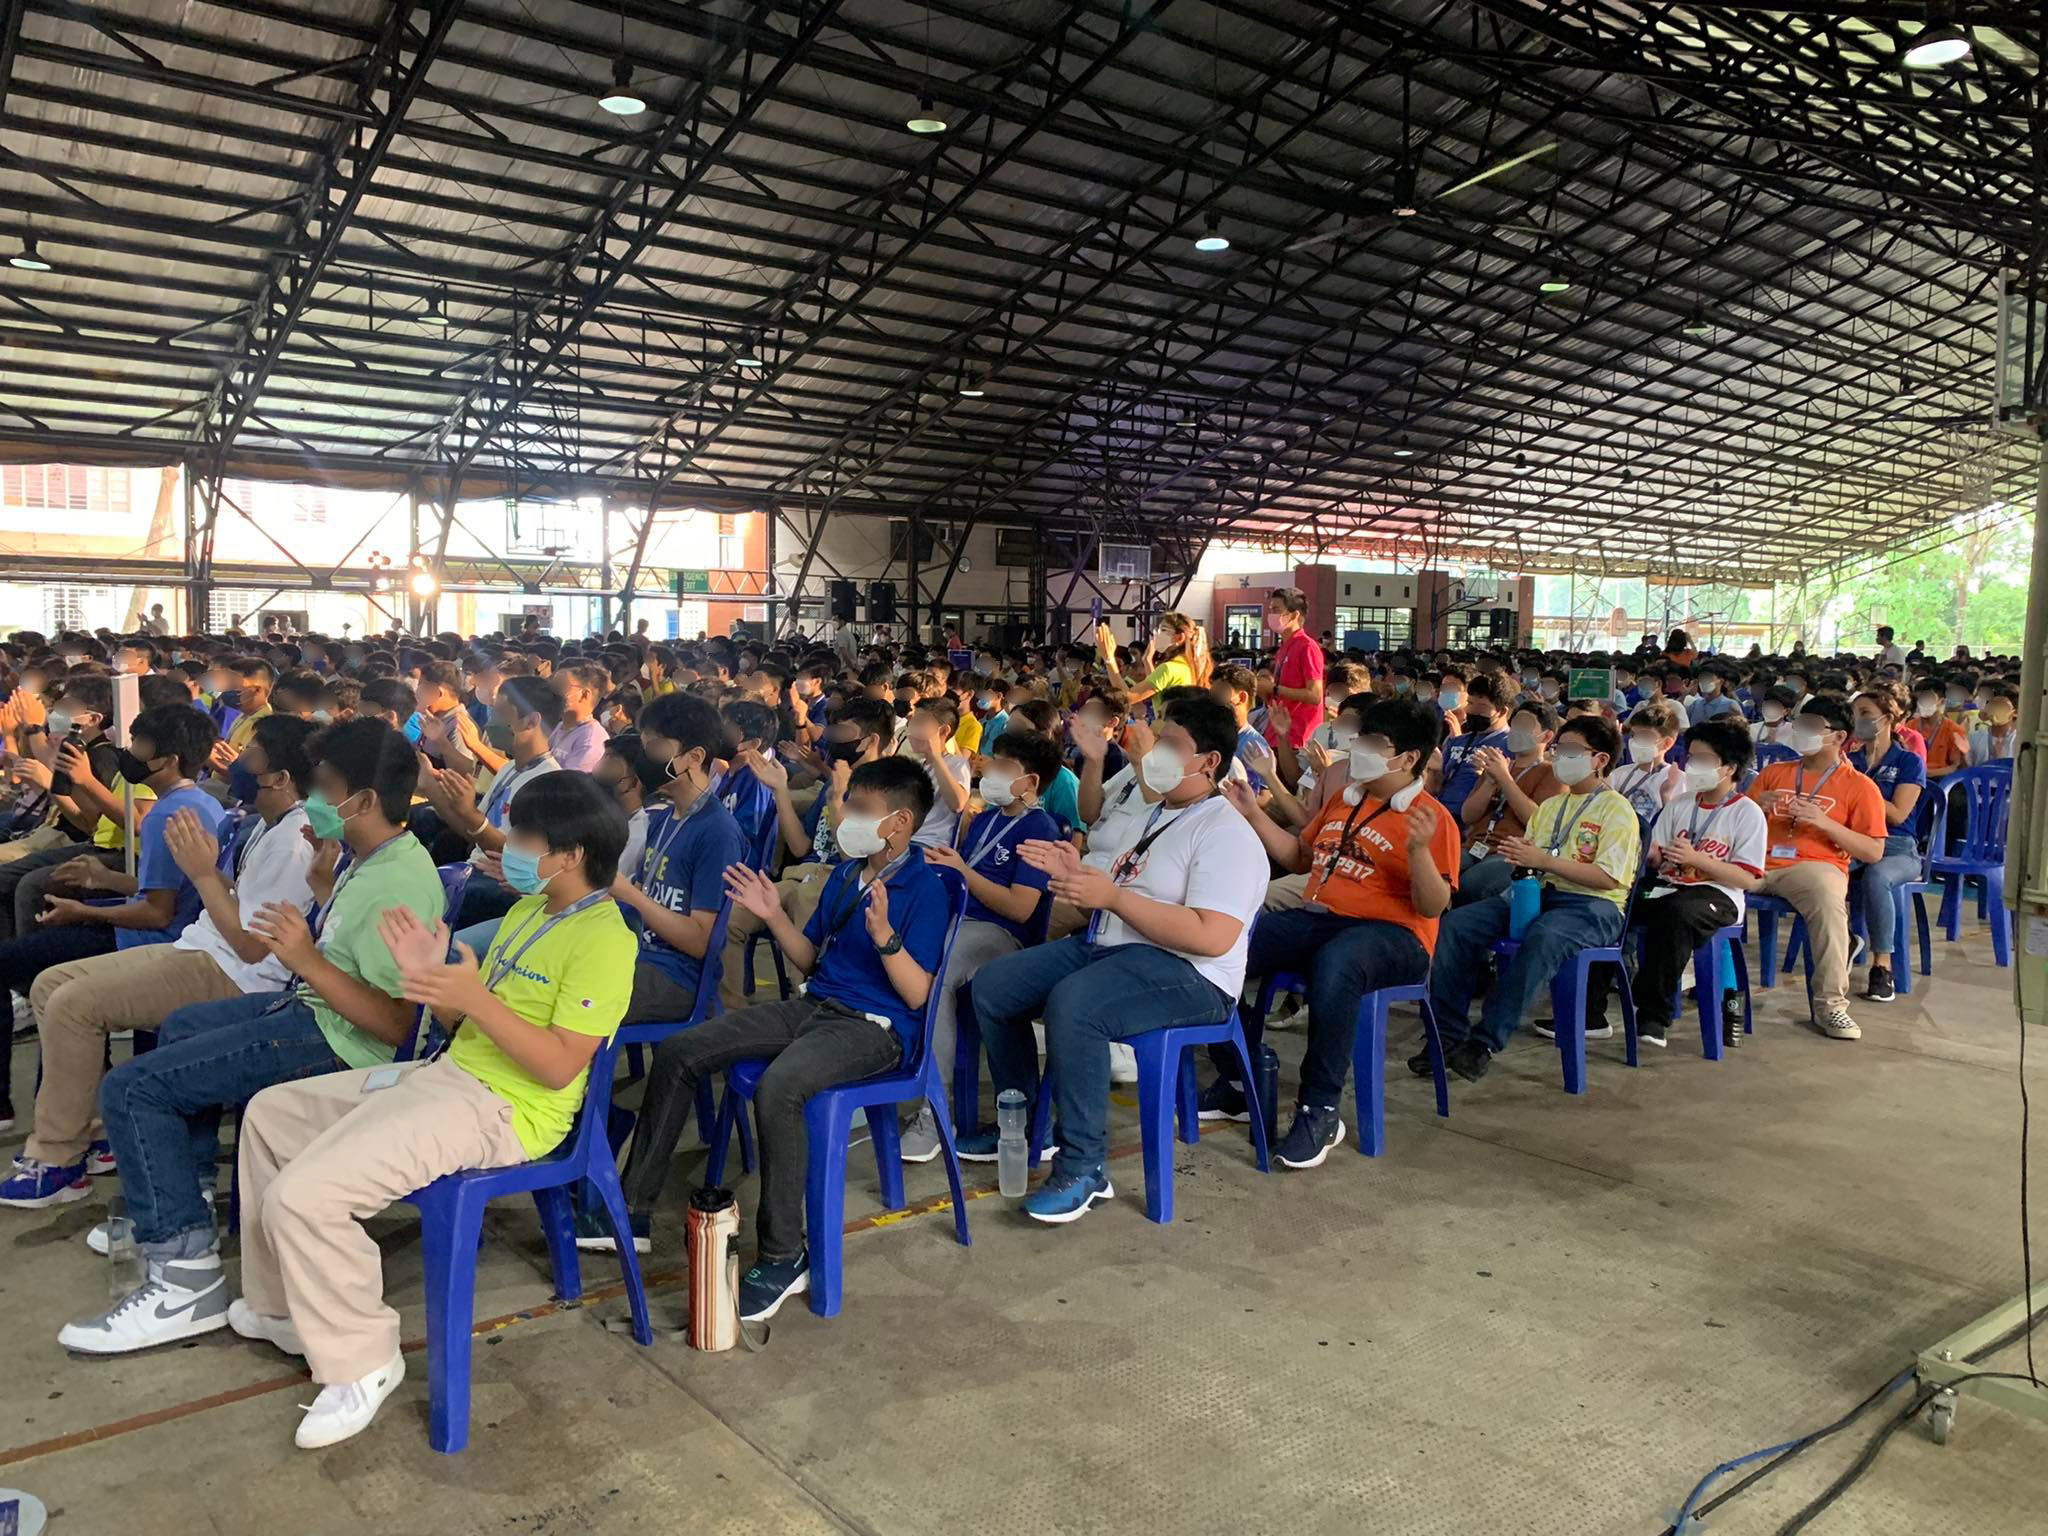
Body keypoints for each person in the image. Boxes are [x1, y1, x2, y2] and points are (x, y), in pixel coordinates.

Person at [229, 771, 636, 1448]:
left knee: (304, 1197)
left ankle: (363, 1360)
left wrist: (474, 1000)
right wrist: (432, 978)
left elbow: (561, 1064)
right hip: (446, 1075)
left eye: (526, 836)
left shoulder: (605, 940)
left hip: (507, 1110)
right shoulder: (529, 911)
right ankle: (282, 1307)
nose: (510, 846)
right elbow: (463, 1024)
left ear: (569, 854)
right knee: (272, 1113)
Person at [54, 720, 446, 1351]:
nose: (313, 800)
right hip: (310, 1010)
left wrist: (305, 959)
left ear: (365, 801)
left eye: (326, 787)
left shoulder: (398, 881)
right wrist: (321, 897)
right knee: (180, 1027)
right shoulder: (368, 859)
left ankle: (184, 1277)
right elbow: (344, 956)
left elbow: (394, 1024)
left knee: (131, 1090)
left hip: (334, 1040)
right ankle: (187, 1196)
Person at [616, 757, 952, 1321]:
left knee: (780, 1088)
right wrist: (773, 914)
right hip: (815, 1006)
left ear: (899, 823)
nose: (846, 817)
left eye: (861, 809)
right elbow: (811, 959)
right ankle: (630, 1210)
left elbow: (917, 996)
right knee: (682, 1050)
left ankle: (782, 1254)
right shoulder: (849, 874)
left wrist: (887, 939)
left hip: (877, 1031)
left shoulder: (927, 888)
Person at [960, 696, 1266, 1223]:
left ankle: (1084, 1165)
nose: (1155, 751)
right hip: (1112, 947)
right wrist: (1072, 866)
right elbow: (1119, 882)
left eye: (1171, 743)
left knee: (1075, 1004)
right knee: (993, 985)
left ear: (1209, 762)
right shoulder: (1153, 815)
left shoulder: (1226, 833)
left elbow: (1212, 936)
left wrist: (1114, 899)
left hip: (1191, 976)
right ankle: (1028, 1119)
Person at [5, 717, 317, 1207]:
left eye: (251, 757)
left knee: (73, 1003)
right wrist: (213, 876)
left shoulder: (296, 840)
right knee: (51, 984)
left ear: (280, 777)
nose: (237, 763)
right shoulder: (265, 824)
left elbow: (253, 948)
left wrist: (203, 874)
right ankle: (96, 1134)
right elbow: (237, 900)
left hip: (235, 974)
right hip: (201, 947)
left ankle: (57, 1160)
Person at [1206, 697, 1459, 1166]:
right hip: (1321, 919)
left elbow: (1432, 905)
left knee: (1338, 964)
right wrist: (1251, 813)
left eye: (1373, 743)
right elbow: (1300, 858)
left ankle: (1319, 1108)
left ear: (1407, 759)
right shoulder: (1346, 802)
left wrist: (1420, 851)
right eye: (1360, 739)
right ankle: (1240, 1076)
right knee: (1222, 948)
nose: (1357, 748)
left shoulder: (1430, 818)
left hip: (1394, 937)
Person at [0, 705, 228, 1207]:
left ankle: (60, 1146)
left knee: (46, 983)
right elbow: (169, 888)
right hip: (163, 929)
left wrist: (85, 910)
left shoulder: (171, 812)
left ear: (166, 760)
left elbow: (157, 912)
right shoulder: (203, 805)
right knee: (49, 984)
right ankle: (87, 1132)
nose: (129, 755)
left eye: (140, 747)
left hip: (154, 940)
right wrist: (106, 883)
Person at [1420, 714, 1641, 1082]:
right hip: (1539, 892)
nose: (1560, 758)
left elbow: (1608, 877)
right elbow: (1538, 856)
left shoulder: (1616, 809)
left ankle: (1485, 1041)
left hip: (1593, 905)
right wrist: (1522, 854)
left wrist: (1545, 860)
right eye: (1559, 750)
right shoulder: (1554, 807)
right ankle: (1444, 1035)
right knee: (1456, 925)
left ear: (1600, 760)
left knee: (1545, 937)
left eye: (1571, 751)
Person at [901, 729, 1062, 1161]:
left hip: (1001, 936)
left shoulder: (1038, 828)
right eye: (992, 761)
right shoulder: (988, 818)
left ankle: (934, 1114)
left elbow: (1020, 909)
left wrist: (963, 872)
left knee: (936, 978)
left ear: (1029, 782)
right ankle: (902, 1071)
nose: (988, 769)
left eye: (1002, 765)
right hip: (962, 920)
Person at [1745, 695, 1887, 1040]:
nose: (1801, 733)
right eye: (1800, 726)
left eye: (1811, 727)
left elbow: (1873, 851)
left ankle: (1831, 1006)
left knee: (1826, 902)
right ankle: (1698, 980)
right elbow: (1733, 822)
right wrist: (1752, 806)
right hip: (1758, 861)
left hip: (1814, 866)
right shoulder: (1774, 773)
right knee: (1703, 880)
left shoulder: (1859, 786)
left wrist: (1826, 824)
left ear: (1838, 737)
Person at [1623, 719, 1766, 1049]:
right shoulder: (1680, 804)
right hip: (1669, 886)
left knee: (1676, 913)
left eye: (1704, 760)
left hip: (1718, 894)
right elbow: (1657, 857)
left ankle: (1654, 1013)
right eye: (1692, 758)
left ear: (1729, 768)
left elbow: (1748, 879)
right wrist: (1652, 855)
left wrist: (1697, 859)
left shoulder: (1747, 813)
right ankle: (1594, 1007)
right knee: (1617, 904)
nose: (1693, 766)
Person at [422, 675, 561, 927]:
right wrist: (429, 786)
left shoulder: (548, 782)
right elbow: (470, 832)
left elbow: (520, 859)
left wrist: (470, 814)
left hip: (500, 885)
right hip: (474, 870)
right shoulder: (509, 769)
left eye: (502, 713)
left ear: (531, 721)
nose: (492, 721)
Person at [1847, 688, 1925, 1004]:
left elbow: (1897, 813)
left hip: (1897, 846)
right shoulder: (1849, 760)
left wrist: (1862, 789)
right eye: (1854, 715)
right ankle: (1844, 939)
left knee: (1877, 877)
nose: (1858, 721)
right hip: (1854, 840)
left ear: (1887, 719)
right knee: (1822, 870)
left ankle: (1882, 966)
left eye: (1865, 714)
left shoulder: (1908, 762)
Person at [1456, 698, 1559, 906]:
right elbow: (1468, 815)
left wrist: (1504, 779)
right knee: (1440, 869)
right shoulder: (1499, 766)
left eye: (1526, 725)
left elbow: (1536, 821)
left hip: (1509, 854)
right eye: (1516, 724)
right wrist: (1490, 782)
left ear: (1547, 735)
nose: (1517, 730)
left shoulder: (1552, 773)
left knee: (1471, 884)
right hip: (1475, 845)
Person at [1426, 673, 1509, 813]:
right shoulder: (1458, 740)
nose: (1472, 710)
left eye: (1482, 707)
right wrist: (1435, 770)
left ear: (1501, 712)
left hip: (1472, 824)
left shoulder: (1508, 745)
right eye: (1470, 703)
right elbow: (1436, 787)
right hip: (1440, 813)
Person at [1261, 587, 1323, 758]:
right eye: (1270, 610)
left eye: (1276, 610)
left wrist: (1273, 689)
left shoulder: (1307, 647)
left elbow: (1315, 695)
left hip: (1297, 738)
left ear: (1294, 615)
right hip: (1278, 733)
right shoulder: (1285, 647)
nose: (1271, 615)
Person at [1609, 700, 1686, 820]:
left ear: (1666, 743)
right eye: (1634, 735)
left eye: (1645, 736)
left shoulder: (1679, 780)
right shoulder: (1619, 774)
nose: (1635, 741)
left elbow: (1677, 823)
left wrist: (1666, 796)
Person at [547, 660, 609, 772]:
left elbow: (569, 785)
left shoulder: (591, 739)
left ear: (584, 695)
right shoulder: (561, 726)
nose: (552, 693)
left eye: (560, 686)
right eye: (552, 686)